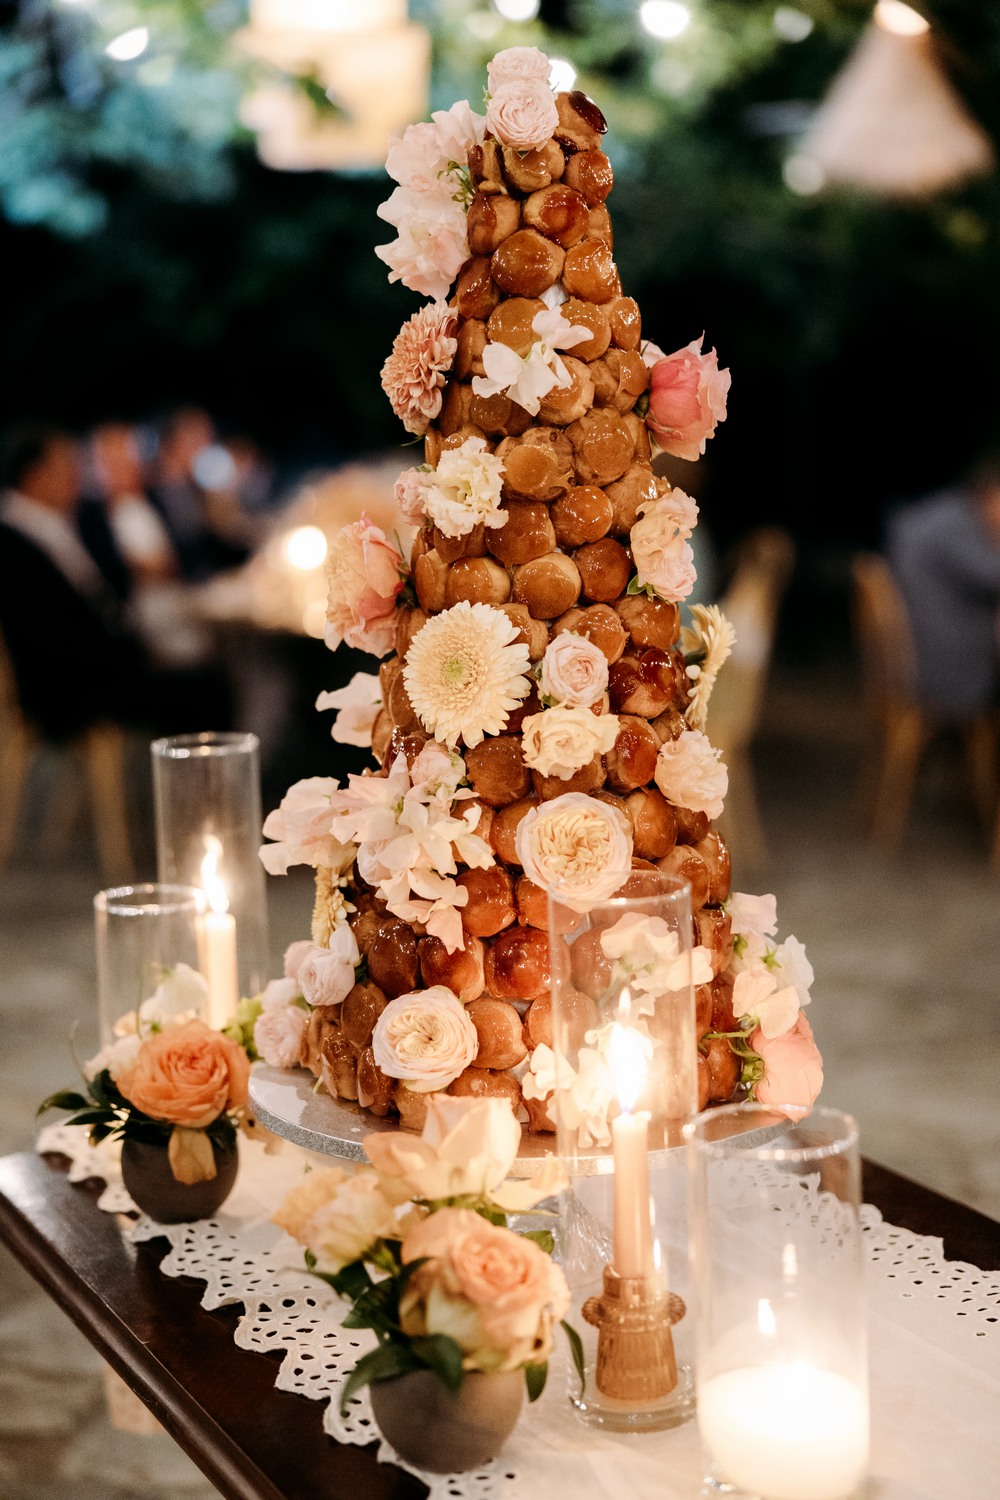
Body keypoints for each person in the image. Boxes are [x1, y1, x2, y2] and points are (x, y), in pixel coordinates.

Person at [0, 426, 229, 740]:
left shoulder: (39, 524)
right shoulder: (17, 538)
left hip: (95, 669)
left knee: (205, 674)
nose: (76, 477)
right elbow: (55, 632)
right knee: (206, 690)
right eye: (66, 466)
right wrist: (136, 653)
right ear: (33, 475)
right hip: (72, 688)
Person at [886, 456, 1000, 717]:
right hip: (947, 670)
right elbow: (994, 576)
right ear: (992, 493)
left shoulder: (936, 514)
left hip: (921, 655)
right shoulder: (954, 525)